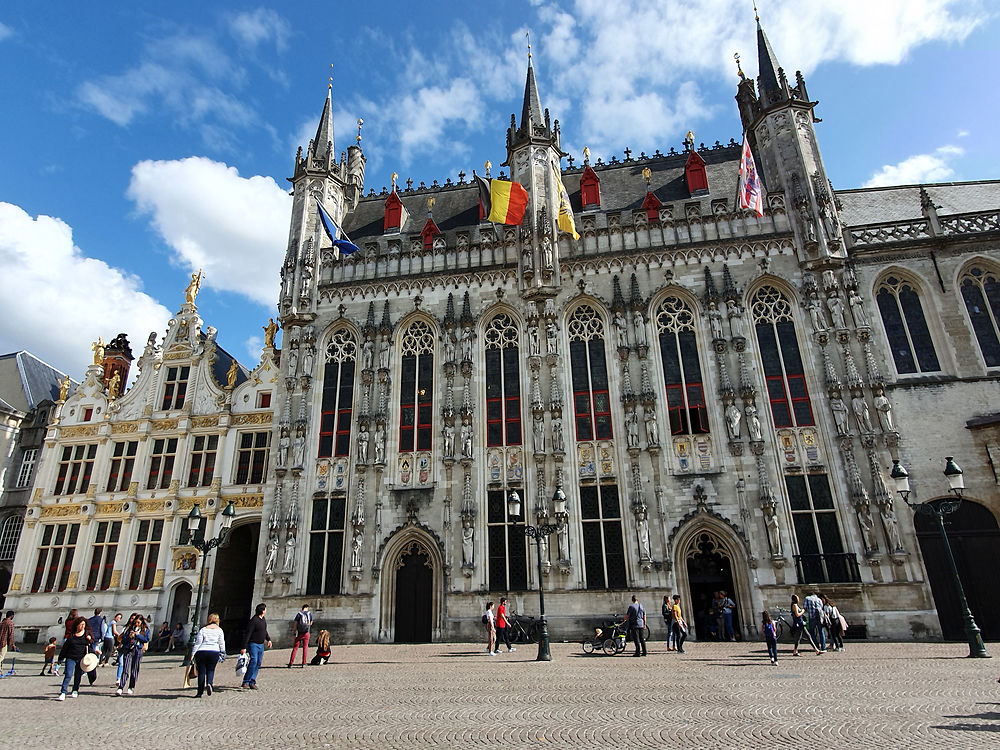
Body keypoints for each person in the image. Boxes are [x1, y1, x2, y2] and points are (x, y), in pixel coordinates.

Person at [57, 616, 92, 700]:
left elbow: (91, 644)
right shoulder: (71, 636)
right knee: (68, 674)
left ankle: (75, 690)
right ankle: (63, 692)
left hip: (81, 658)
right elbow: (65, 648)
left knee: (78, 675)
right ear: (77, 625)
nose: (82, 626)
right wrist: (60, 658)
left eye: (84, 624)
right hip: (71, 657)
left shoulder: (87, 635)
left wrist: (90, 640)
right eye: (81, 624)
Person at [192, 612, 226, 698]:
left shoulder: (203, 629)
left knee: (201, 672)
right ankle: (209, 683)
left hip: (202, 651)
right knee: (211, 670)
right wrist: (223, 652)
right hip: (214, 651)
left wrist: (192, 653)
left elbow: (198, 643)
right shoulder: (219, 630)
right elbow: (221, 643)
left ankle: (199, 692)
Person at [116, 614, 150, 695]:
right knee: (125, 668)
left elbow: (146, 639)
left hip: (138, 650)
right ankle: (121, 687)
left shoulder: (145, 630)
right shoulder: (129, 629)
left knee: (135, 669)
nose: (136, 624)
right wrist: (129, 636)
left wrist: (138, 635)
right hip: (128, 649)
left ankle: (131, 687)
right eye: (135, 622)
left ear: (142, 622)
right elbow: (123, 640)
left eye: (138, 622)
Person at [241, 603, 271, 690]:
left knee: (258, 663)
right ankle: (246, 681)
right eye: (265, 609)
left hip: (261, 645)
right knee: (253, 661)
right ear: (262, 610)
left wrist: (268, 639)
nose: (266, 610)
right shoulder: (254, 620)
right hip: (253, 644)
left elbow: (264, 631)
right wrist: (244, 647)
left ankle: (252, 681)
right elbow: (248, 633)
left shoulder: (263, 619)